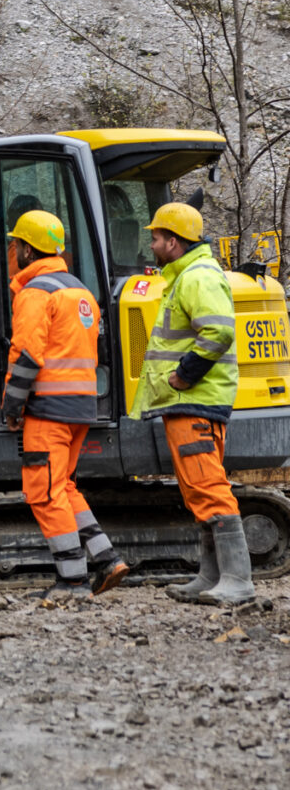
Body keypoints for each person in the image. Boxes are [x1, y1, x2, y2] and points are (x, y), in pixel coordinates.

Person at [0, 211, 130, 600]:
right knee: (65, 485)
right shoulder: (80, 291)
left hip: (49, 409)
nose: (14, 251)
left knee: (44, 492)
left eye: (15, 245)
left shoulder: (36, 293)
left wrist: (11, 407)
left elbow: (27, 355)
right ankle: (107, 560)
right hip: (81, 407)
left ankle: (73, 581)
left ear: (25, 248)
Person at [136, 202, 255, 606]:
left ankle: (237, 580)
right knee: (196, 491)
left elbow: (218, 332)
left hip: (196, 400)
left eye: (155, 238)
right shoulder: (187, 275)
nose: (151, 245)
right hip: (186, 403)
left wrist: (183, 375)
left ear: (172, 240)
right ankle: (211, 575)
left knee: (209, 487)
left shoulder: (198, 277)